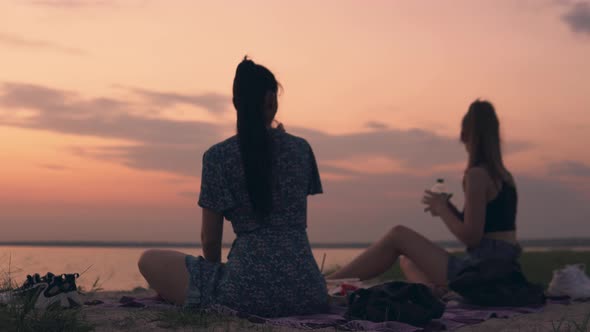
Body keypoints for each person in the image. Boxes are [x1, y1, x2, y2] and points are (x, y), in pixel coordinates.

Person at [137, 57, 328, 317]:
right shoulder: (301, 149)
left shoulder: (218, 156)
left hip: (243, 294)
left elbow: (211, 239)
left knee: (148, 259)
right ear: (271, 100)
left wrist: (212, 275)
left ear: (236, 103)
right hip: (308, 291)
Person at [327, 100, 520, 291]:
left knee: (398, 235)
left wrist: (442, 210)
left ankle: (327, 283)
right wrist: (449, 207)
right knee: (409, 260)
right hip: (503, 270)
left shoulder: (477, 175)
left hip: (484, 273)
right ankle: (435, 293)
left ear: (466, 135)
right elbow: (489, 227)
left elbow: (472, 237)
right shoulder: (504, 176)